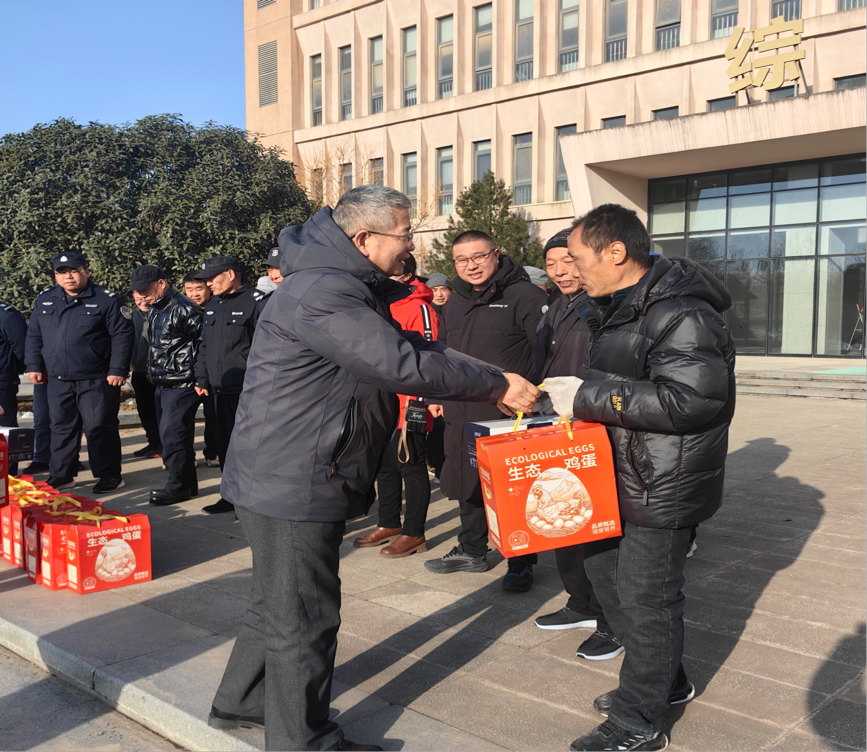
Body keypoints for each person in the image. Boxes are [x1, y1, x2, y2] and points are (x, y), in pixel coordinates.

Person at [208, 186, 539, 752]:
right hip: (295, 477)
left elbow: (411, 346)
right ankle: (302, 741)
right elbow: (398, 363)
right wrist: (494, 384)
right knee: (305, 616)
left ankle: (242, 701)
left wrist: (493, 376)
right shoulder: (326, 291)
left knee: (277, 601)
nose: (411, 246)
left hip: (284, 469)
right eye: (405, 234)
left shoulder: (337, 284)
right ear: (363, 238)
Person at [543, 204, 735, 752]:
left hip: (661, 481)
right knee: (606, 578)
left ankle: (638, 722)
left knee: (648, 598)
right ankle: (665, 683)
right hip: (616, 471)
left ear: (616, 252)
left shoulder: (682, 313)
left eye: (576, 258)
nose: (568, 270)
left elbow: (692, 400)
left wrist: (586, 395)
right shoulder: (616, 305)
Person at [424, 231, 547, 592]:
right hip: (461, 408)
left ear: (496, 254)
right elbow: (443, 352)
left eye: (478, 256)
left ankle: (521, 561)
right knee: (468, 481)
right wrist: (437, 394)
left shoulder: (524, 296)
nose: (471, 266)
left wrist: (532, 395)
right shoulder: (454, 302)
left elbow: (545, 354)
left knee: (513, 488)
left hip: (507, 412)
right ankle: (472, 549)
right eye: (462, 260)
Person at [530, 229, 623, 661]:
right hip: (557, 423)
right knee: (562, 518)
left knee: (597, 528)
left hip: (592, 425)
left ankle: (613, 620)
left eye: (568, 261)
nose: (560, 271)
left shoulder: (604, 304)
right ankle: (582, 602)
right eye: (551, 263)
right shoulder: (557, 305)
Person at [24, 252, 133, 493]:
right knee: (60, 427)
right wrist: (33, 365)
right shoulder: (46, 299)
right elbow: (34, 335)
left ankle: (109, 475)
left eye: (74, 271)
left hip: (96, 378)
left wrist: (118, 369)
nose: (68, 276)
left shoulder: (106, 299)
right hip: (58, 378)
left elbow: (122, 336)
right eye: (62, 272)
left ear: (86, 271)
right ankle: (62, 474)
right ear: (55, 275)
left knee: (99, 427)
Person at [353, 253, 439, 558]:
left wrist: (418, 403)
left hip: (409, 401)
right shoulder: (378, 303)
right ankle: (388, 522)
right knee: (385, 465)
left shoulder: (419, 306)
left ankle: (414, 532)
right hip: (381, 400)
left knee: (411, 466)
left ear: (405, 273)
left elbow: (430, 356)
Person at [193, 256, 268, 515]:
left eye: (212, 278)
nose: (208, 284)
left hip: (246, 391)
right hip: (216, 389)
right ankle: (230, 496)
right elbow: (205, 345)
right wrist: (202, 378)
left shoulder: (256, 302)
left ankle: (250, 504)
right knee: (224, 445)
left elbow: (266, 349)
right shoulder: (213, 303)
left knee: (248, 448)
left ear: (231, 274)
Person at [129, 265, 204, 505]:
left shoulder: (184, 309)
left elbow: (204, 343)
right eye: (137, 291)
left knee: (173, 437)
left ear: (161, 283)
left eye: (145, 289)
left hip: (182, 382)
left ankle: (177, 486)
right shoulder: (156, 309)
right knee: (175, 436)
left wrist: (200, 377)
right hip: (163, 382)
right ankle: (187, 485)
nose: (141, 295)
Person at [182, 272, 220, 468]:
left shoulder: (219, 308)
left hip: (211, 372)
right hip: (186, 373)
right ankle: (186, 456)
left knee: (214, 415)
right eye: (189, 290)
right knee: (184, 418)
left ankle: (212, 452)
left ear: (208, 288)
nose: (194, 294)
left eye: (199, 289)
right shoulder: (181, 310)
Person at [129, 296, 162, 460]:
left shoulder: (161, 312)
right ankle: (153, 441)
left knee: (159, 410)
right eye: (138, 298)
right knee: (145, 410)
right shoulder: (131, 315)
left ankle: (163, 444)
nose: (143, 302)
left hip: (158, 371)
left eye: (146, 298)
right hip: (139, 370)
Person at [0, 299, 28, 474]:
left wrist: (12, 372)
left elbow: (22, 348)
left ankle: (8, 479)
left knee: (4, 433)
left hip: (1, 384)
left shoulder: (6, 315)